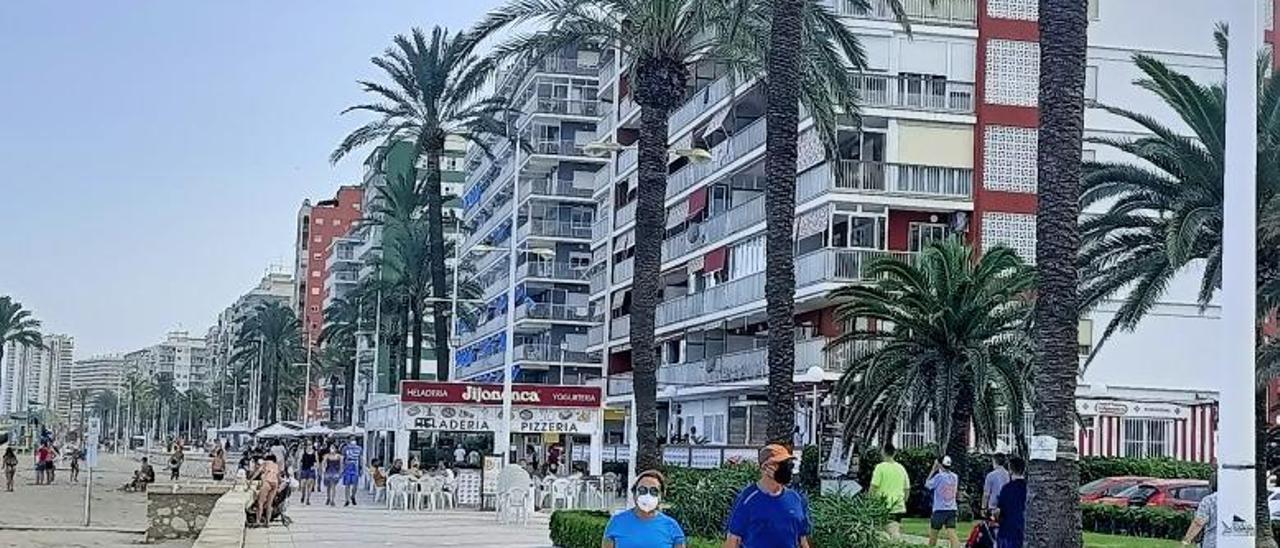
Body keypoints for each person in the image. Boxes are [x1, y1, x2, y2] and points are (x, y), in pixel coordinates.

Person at [724, 444, 811, 548]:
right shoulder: (747, 499)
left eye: (788, 464)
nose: (787, 468)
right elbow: (733, 540)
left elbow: (802, 539)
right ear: (765, 467)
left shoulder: (795, 499)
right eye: (781, 464)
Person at [603, 469, 686, 548]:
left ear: (661, 496)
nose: (648, 495)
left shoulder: (672, 527)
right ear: (634, 493)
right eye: (642, 490)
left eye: (654, 491)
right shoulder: (616, 522)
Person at [869, 444, 911, 540]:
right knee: (894, 529)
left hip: (882, 506)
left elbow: (873, 487)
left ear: (883, 452)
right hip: (898, 505)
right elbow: (907, 488)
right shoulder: (901, 468)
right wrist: (904, 501)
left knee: (883, 532)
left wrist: (869, 502)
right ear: (894, 453)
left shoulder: (880, 468)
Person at [924, 456, 960, 548]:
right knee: (952, 533)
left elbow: (927, 484)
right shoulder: (955, 477)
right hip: (952, 508)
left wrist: (933, 470)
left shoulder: (939, 477)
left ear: (940, 464)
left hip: (939, 509)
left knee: (933, 536)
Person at [994, 456, 1027, 548]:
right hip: (1023, 528)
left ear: (1010, 470)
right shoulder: (1028, 488)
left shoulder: (1007, 489)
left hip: (1007, 529)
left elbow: (999, 510)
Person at [1180, 476, 1218, 547]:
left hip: (1213, 542)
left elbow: (1199, 522)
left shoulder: (1209, 500)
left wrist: (1186, 541)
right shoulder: (1238, 499)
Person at [249, 454, 281, 528]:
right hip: (275, 483)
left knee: (260, 502)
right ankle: (267, 522)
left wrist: (251, 479)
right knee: (269, 504)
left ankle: (258, 521)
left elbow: (258, 471)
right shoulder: (276, 465)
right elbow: (278, 477)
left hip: (267, 482)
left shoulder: (265, 463)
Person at [982, 453, 1011, 518]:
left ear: (994, 461)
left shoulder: (990, 475)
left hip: (993, 507)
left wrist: (983, 507)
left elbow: (986, 493)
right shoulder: (1008, 475)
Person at [341, 438, 363, 506]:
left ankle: (353, 496)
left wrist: (361, 467)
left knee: (355, 485)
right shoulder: (345, 448)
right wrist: (342, 468)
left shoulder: (359, 448)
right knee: (347, 485)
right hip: (347, 467)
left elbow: (360, 458)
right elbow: (343, 458)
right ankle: (347, 499)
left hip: (355, 467)